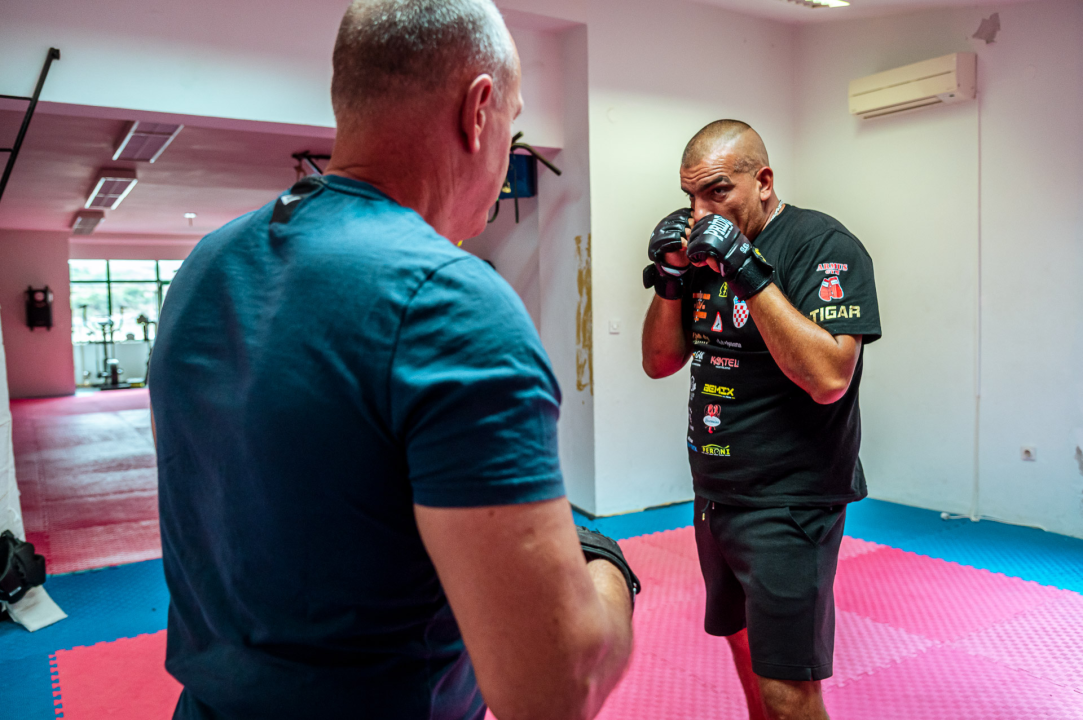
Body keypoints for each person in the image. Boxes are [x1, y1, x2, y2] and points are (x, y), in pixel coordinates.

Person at [149, 2, 635, 719]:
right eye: (514, 120)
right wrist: (605, 564)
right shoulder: (446, 301)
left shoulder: (207, 265)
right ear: (479, 110)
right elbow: (557, 687)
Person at [641, 120, 881, 720]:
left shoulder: (822, 245)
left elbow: (829, 377)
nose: (700, 212)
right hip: (718, 493)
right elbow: (659, 360)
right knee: (747, 660)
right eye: (690, 196)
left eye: (717, 191)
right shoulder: (705, 250)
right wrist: (671, 278)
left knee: (786, 687)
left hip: (790, 498)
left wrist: (747, 271)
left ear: (764, 181)